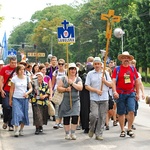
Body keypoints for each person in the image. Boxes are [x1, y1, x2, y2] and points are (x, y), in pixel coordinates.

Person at [112, 51, 140, 138]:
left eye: (127, 58)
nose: (126, 59)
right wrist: (114, 91)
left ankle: (129, 129)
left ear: (130, 60)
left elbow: (137, 81)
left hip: (131, 93)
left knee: (132, 111)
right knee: (121, 113)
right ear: (121, 60)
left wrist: (138, 93)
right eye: (124, 58)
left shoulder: (132, 69)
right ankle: (122, 130)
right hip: (120, 94)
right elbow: (113, 81)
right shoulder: (117, 69)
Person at [85, 57, 112, 140]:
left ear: (101, 65)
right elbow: (86, 86)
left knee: (102, 116)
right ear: (93, 65)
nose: (97, 65)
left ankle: (99, 133)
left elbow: (110, 85)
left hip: (104, 98)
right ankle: (91, 128)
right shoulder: (90, 74)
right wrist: (96, 90)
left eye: (98, 64)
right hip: (94, 98)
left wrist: (105, 81)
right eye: (95, 64)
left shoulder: (106, 73)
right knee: (94, 115)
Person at [57, 63, 83, 140]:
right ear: (68, 70)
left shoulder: (78, 79)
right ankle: (67, 133)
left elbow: (80, 88)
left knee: (75, 116)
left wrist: (72, 83)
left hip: (75, 100)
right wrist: (65, 89)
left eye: (74, 69)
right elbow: (58, 88)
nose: (73, 70)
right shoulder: (64, 78)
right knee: (66, 117)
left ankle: (73, 133)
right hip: (65, 100)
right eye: (71, 69)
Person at [9, 64, 33, 137]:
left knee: (24, 114)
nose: (22, 71)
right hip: (16, 98)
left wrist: (27, 93)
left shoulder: (27, 78)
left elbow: (31, 88)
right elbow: (11, 89)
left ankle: (21, 129)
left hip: (24, 99)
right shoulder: (14, 78)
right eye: (20, 70)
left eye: (23, 69)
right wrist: (10, 99)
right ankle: (16, 129)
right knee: (16, 113)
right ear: (17, 71)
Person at [0, 57, 17, 131]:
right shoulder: (4, 68)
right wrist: (1, 90)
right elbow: (1, 80)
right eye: (12, 63)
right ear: (9, 62)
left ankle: (11, 124)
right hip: (6, 90)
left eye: (15, 63)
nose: (13, 64)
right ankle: (5, 121)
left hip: (15, 91)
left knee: (12, 107)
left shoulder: (18, 69)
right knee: (6, 106)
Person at [79, 56, 94, 133]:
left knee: (85, 109)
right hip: (92, 90)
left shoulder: (82, 68)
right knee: (93, 109)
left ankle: (85, 126)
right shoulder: (94, 68)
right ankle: (92, 126)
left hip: (84, 91)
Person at [52, 59, 66, 129]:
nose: (60, 65)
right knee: (57, 107)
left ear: (64, 64)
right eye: (59, 64)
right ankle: (56, 122)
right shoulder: (56, 72)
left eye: (62, 64)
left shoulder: (66, 72)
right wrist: (51, 91)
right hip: (57, 91)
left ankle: (60, 121)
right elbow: (53, 82)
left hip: (64, 91)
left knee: (62, 107)